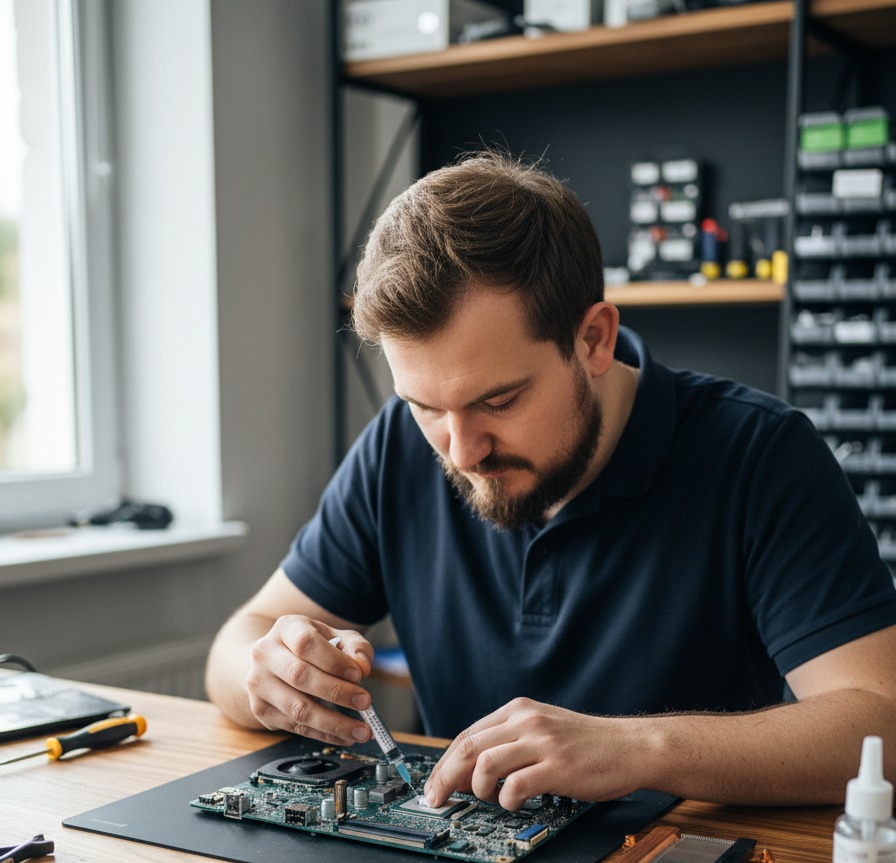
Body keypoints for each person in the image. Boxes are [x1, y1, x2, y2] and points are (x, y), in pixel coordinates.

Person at [206, 150, 896, 811]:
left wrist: (637, 747)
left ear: (593, 339)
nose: (463, 449)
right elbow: (240, 641)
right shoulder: (397, 443)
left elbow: (882, 723)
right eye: (426, 407)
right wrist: (270, 675)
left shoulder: (760, 454)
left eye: (499, 401)